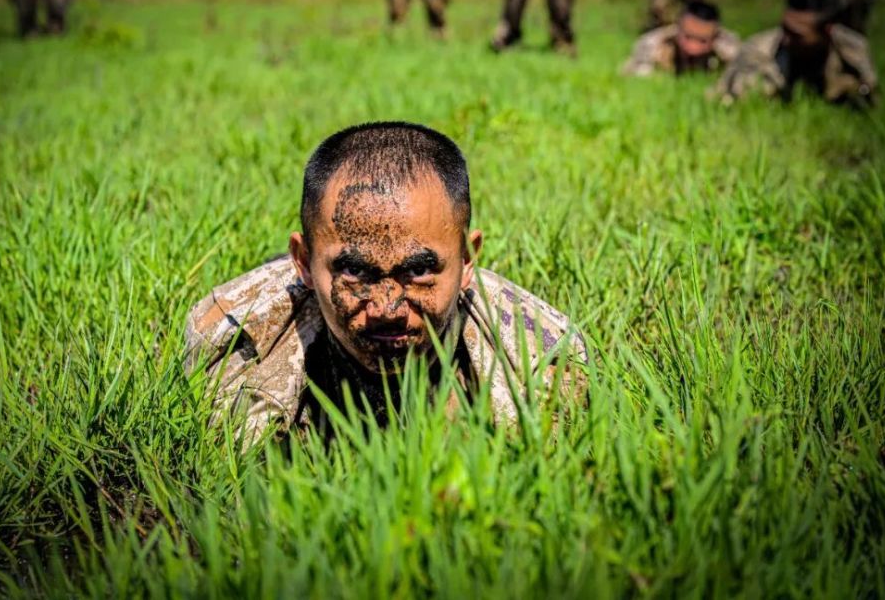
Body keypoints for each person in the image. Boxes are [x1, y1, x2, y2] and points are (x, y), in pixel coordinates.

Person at [185, 122, 587, 445]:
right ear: (303, 262)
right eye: (357, 272)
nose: (387, 309)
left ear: (467, 259)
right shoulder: (228, 346)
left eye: (418, 272)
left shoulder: (541, 366)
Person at [714, 0, 877, 107]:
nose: (785, 39)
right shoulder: (760, 49)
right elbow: (745, 97)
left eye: (796, 35)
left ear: (827, 32)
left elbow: (870, 95)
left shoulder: (850, 48)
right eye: (784, 28)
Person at [622, 0, 740, 76]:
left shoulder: (730, 48)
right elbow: (631, 77)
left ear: (715, 37)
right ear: (677, 30)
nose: (693, 48)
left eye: (702, 41)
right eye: (688, 37)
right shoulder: (653, 43)